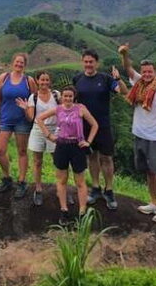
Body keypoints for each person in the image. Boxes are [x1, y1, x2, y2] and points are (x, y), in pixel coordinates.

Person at [121, 45, 156, 224]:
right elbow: (128, 69)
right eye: (144, 71)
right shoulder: (139, 84)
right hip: (140, 134)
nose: (146, 74)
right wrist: (124, 54)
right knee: (149, 172)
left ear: (155, 72)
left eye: (149, 72)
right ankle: (153, 203)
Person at [73, 49, 129, 210]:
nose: (88, 64)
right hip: (84, 126)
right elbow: (70, 100)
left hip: (103, 125)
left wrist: (118, 78)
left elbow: (123, 92)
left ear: (96, 63)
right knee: (91, 157)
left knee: (107, 158)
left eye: (91, 62)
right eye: (86, 61)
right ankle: (96, 187)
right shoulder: (77, 79)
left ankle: (109, 190)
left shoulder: (105, 79)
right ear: (82, 62)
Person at [37, 85, 98, 225]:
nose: (68, 98)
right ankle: (64, 210)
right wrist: (48, 135)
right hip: (62, 146)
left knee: (80, 181)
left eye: (70, 96)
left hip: (77, 146)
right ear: (62, 97)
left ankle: (82, 211)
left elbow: (94, 124)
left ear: (74, 97)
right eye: (65, 96)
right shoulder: (58, 109)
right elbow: (39, 118)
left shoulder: (80, 108)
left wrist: (88, 141)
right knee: (62, 180)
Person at [0, 52, 37, 198]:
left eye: (22, 63)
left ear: (25, 65)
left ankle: (22, 181)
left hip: (22, 121)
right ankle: (7, 178)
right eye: (17, 62)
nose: (19, 65)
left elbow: (34, 100)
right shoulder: (3, 78)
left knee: (22, 151)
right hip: (5, 119)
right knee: (0, 150)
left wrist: (30, 113)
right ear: (12, 62)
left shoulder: (28, 80)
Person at [23, 71, 60, 205]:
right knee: (37, 161)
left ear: (50, 81)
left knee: (58, 161)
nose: (44, 82)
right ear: (37, 81)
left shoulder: (56, 95)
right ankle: (38, 188)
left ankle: (60, 188)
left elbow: (63, 110)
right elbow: (31, 117)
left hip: (54, 129)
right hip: (38, 130)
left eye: (47, 80)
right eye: (42, 80)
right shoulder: (33, 97)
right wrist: (25, 108)